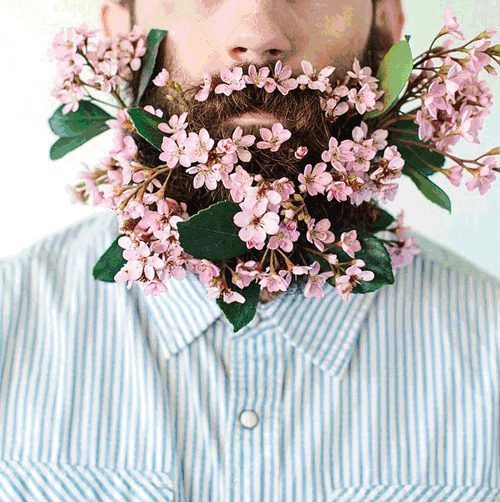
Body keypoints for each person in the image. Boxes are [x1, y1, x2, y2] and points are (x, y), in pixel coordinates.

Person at [0, 0, 498, 501]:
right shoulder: (10, 324)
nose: (258, 32)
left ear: (385, 27)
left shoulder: (489, 352)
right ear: (119, 37)